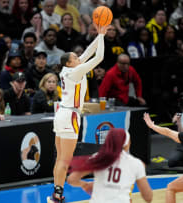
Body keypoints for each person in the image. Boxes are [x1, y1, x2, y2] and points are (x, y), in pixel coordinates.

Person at [49, 24, 107, 203]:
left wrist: (99, 34)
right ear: (69, 63)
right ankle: (57, 196)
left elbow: (89, 52)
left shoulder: (68, 69)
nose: (79, 57)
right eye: (75, 56)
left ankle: (57, 194)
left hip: (61, 114)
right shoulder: (76, 71)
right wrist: (103, 38)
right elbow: (98, 57)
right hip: (69, 116)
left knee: (60, 159)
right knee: (65, 161)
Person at [67, 128, 153, 203]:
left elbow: (72, 179)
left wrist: (85, 185)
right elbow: (148, 197)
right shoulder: (136, 163)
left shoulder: (98, 157)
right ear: (127, 144)